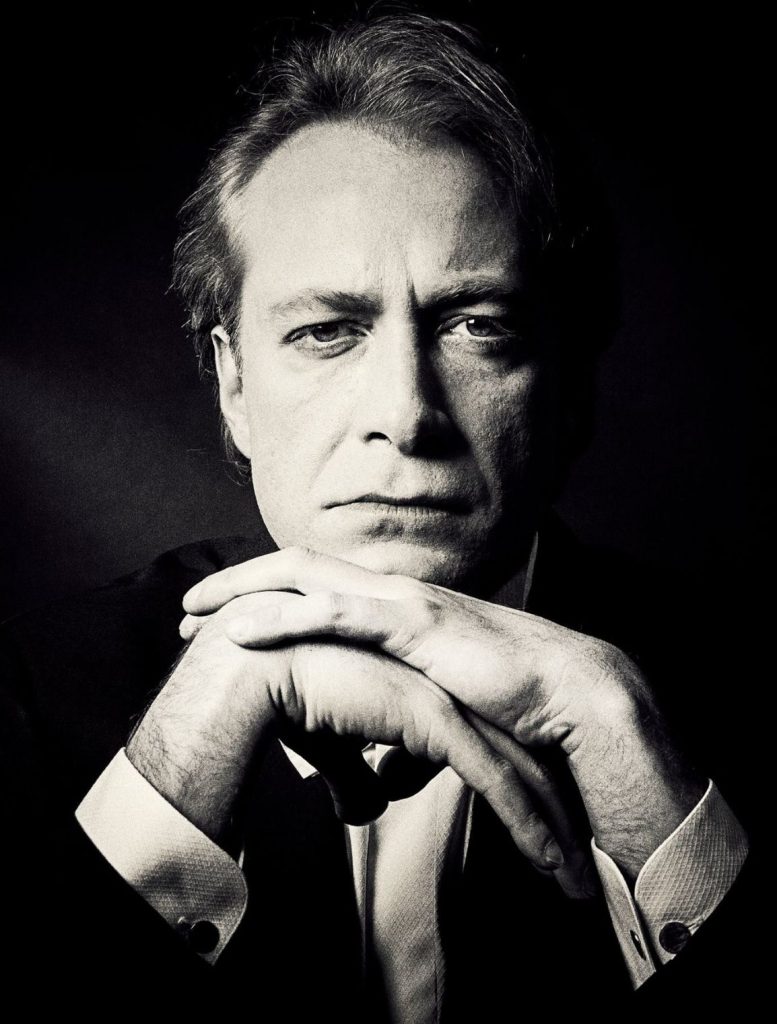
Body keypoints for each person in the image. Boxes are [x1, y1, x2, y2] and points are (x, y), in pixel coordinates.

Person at [0, 10, 756, 1018]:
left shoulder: (743, 690)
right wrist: (176, 778)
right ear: (234, 386)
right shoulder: (29, 695)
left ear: (571, 383)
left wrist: (639, 769)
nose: (405, 415)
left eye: (477, 326)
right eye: (326, 331)